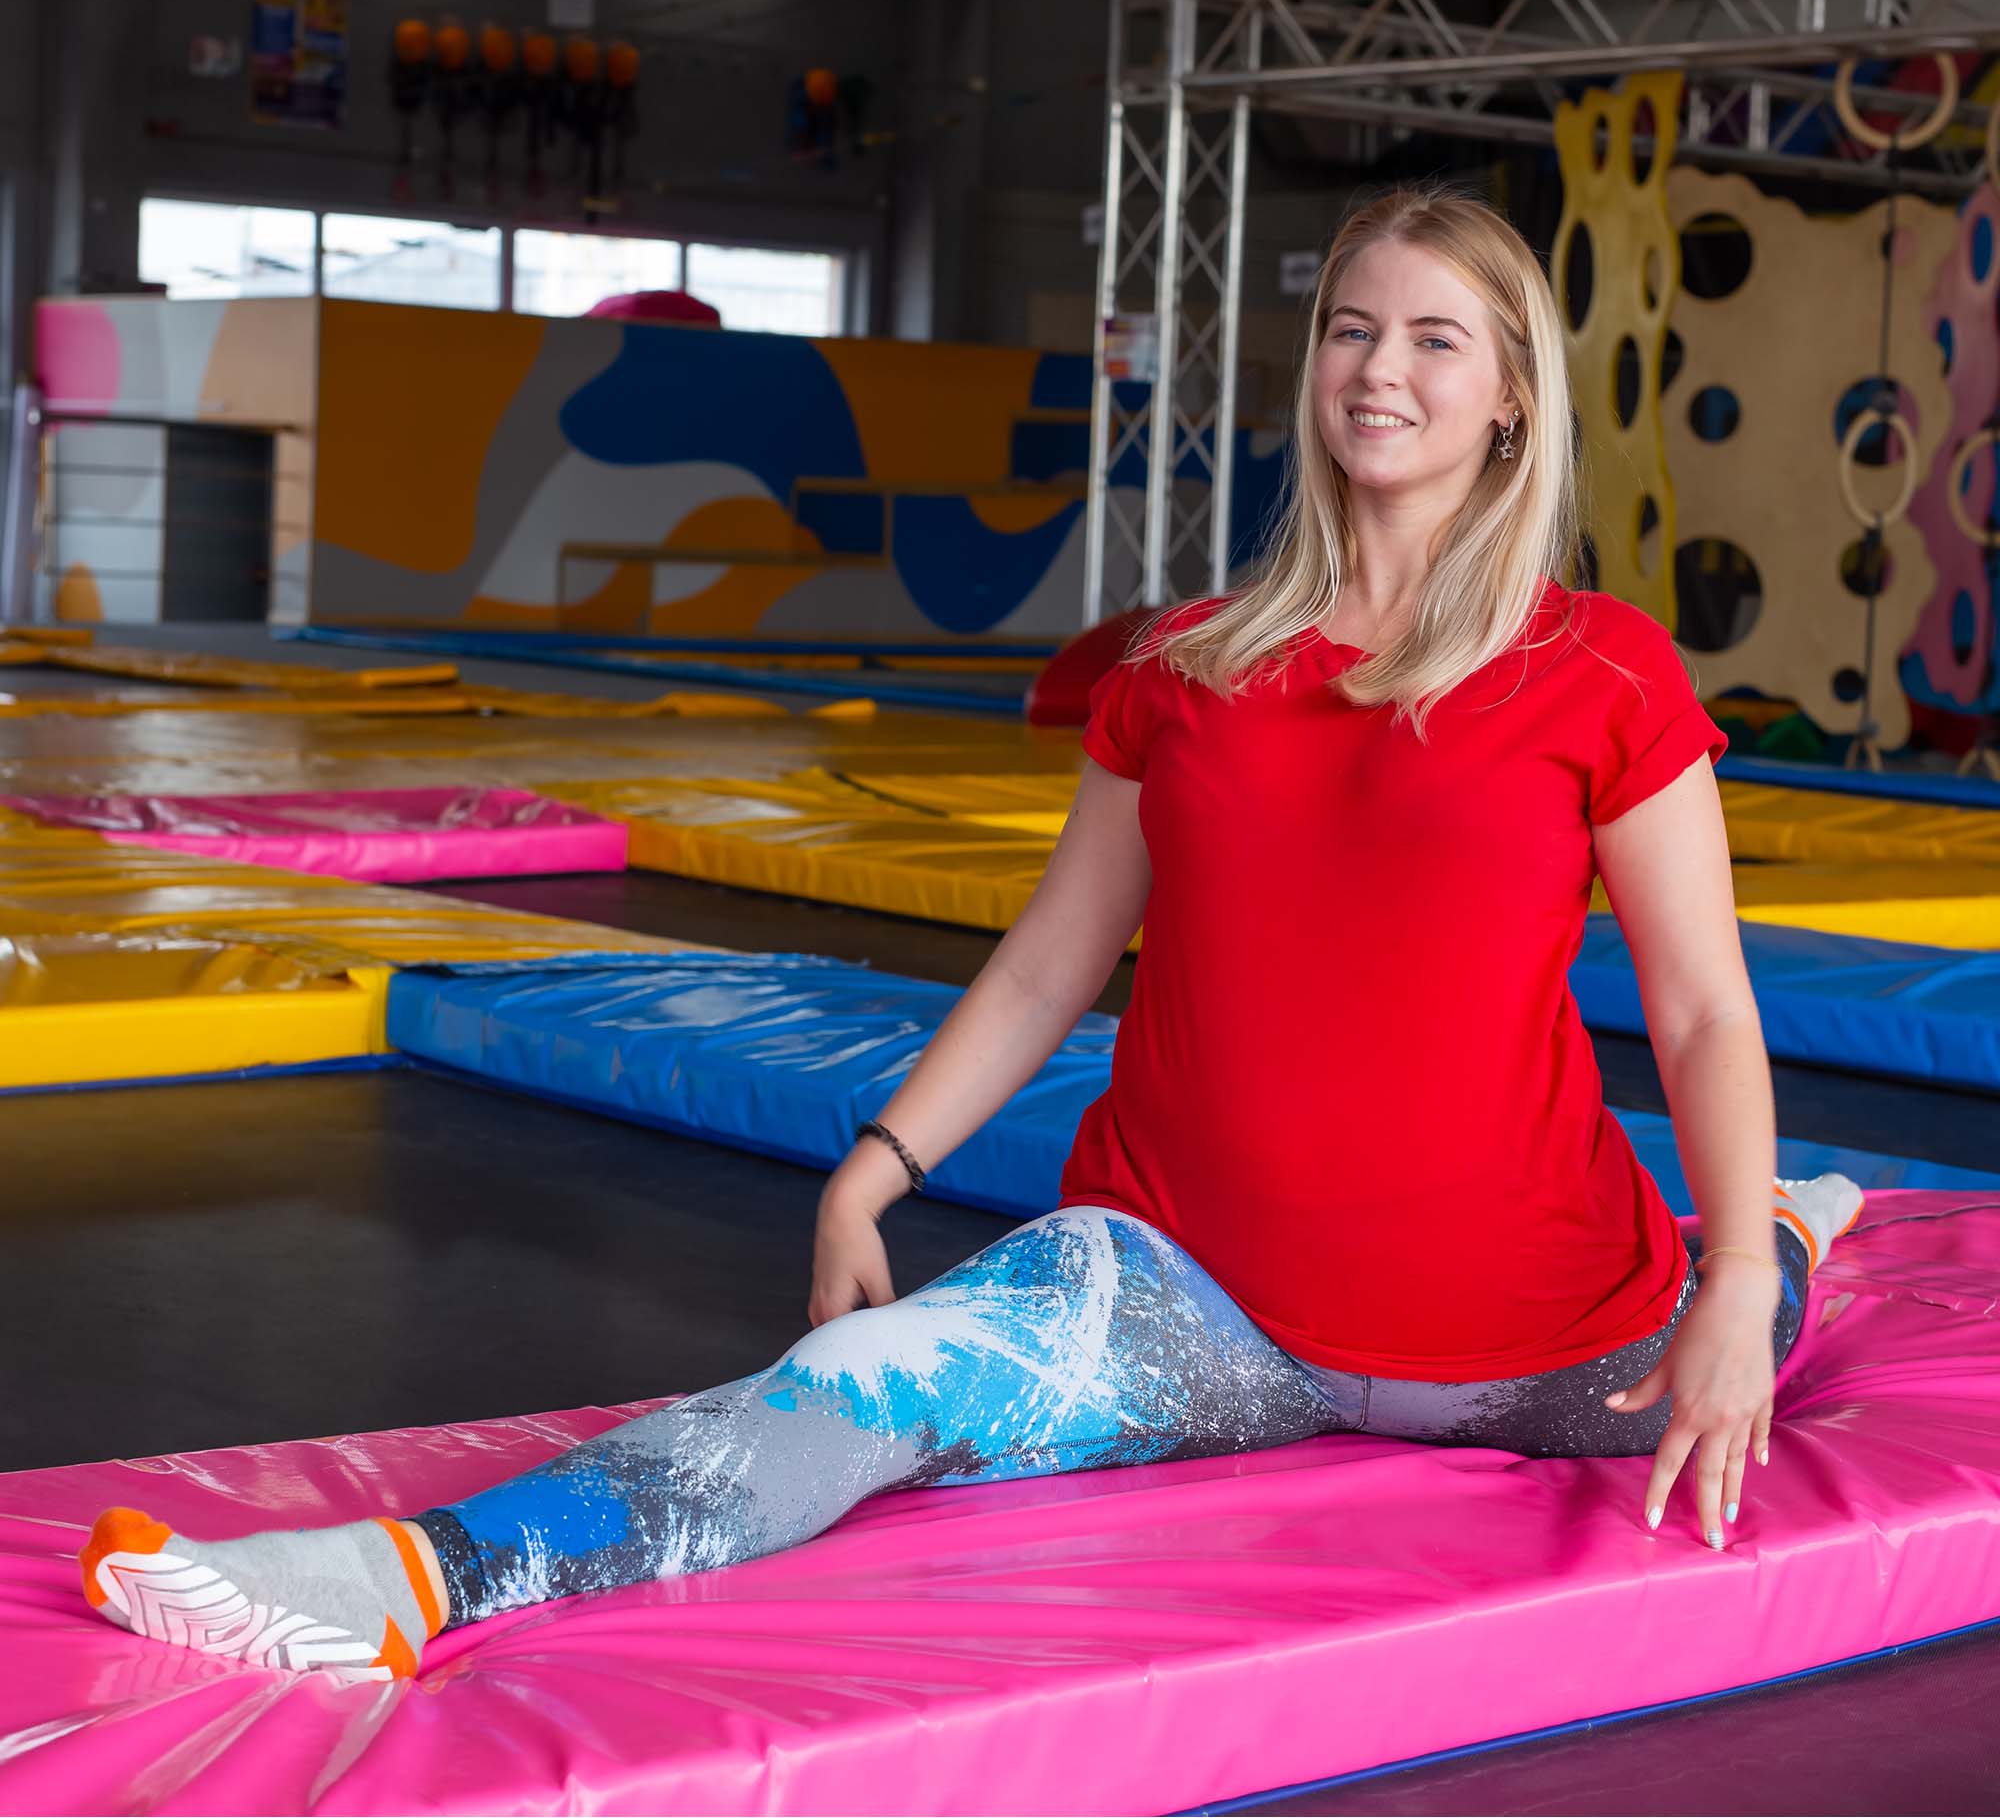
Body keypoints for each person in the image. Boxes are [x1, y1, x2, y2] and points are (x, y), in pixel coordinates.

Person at [78, 184, 1862, 1681]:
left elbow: (1701, 1014)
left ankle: (1783, 1222)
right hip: (1197, 1299)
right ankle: (403, 1586)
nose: (1376, 370)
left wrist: (1722, 1296)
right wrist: (878, 1163)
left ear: (1510, 404)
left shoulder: (1600, 669)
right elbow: (1044, 963)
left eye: (1432, 340)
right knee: (846, 1384)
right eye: (1349, 330)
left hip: (1549, 1333)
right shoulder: (1186, 668)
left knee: (1752, 1311)